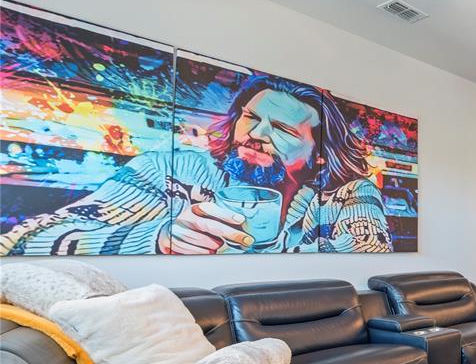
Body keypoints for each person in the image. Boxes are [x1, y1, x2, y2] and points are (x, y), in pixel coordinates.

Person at [0, 76, 392, 255]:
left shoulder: (348, 194)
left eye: (284, 128)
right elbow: (25, 240)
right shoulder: (171, 169)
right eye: (251, 117)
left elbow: (369, 248)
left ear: (319, 153)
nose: (256, 133)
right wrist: (158, 238)